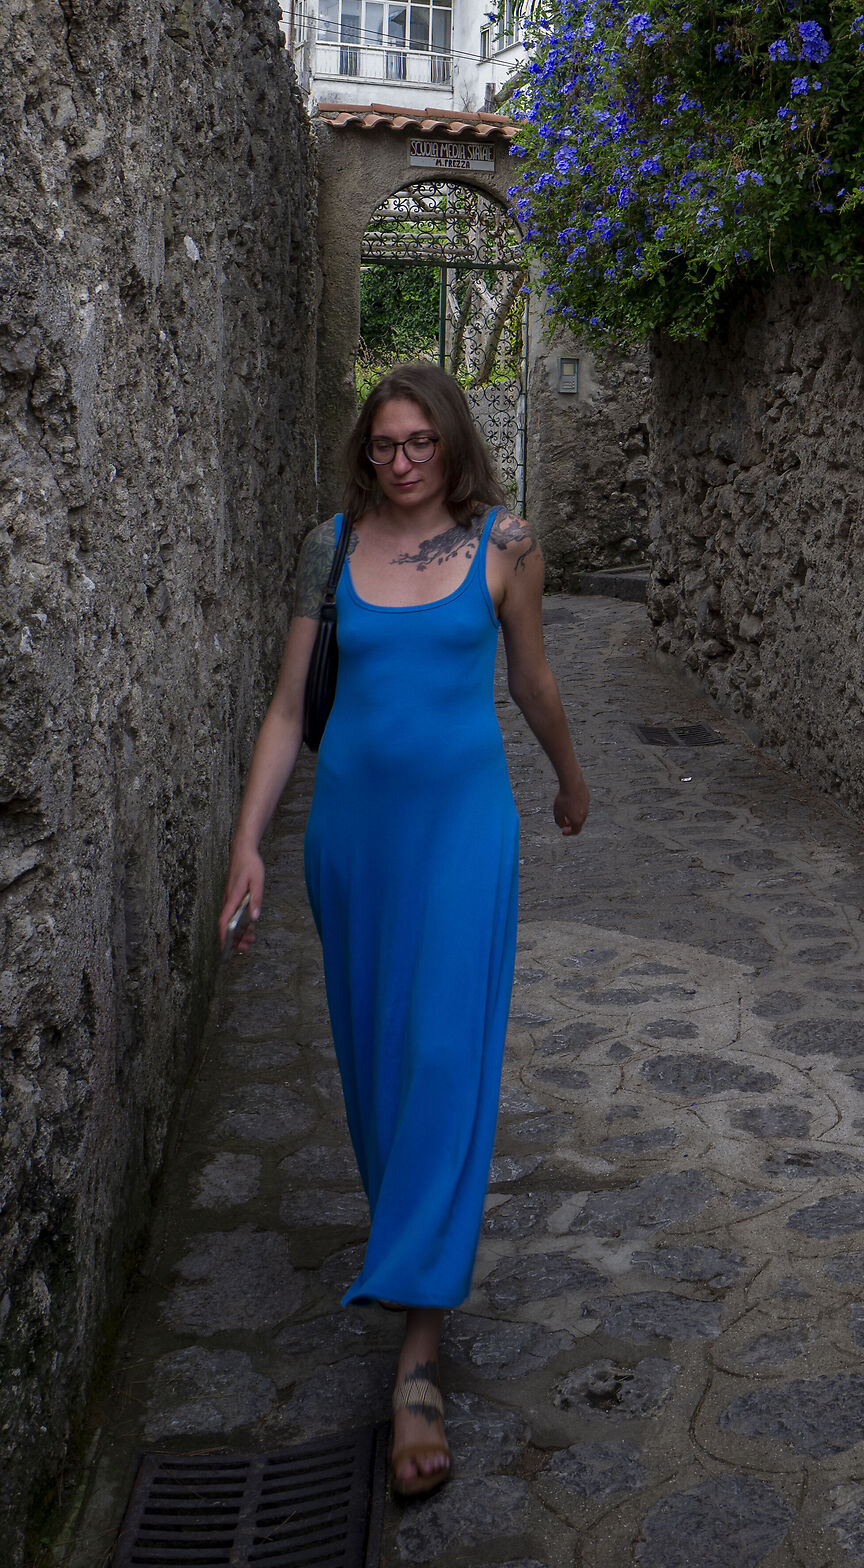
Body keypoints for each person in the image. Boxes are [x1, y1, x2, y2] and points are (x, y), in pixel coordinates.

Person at [217, 362, 590, 1498]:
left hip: (466, 836)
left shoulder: (507, 547)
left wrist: (571, 781)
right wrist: (248, 844)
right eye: (384, 444)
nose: (402, 461)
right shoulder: (329, 545)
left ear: (453, 443)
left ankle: (417, 1358)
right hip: (354, 845)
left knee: (439, 1058)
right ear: (365, 452)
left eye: (420, 441)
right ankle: (416, 1259)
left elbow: (531, 682)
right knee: (380, 1072)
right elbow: (289, 711)